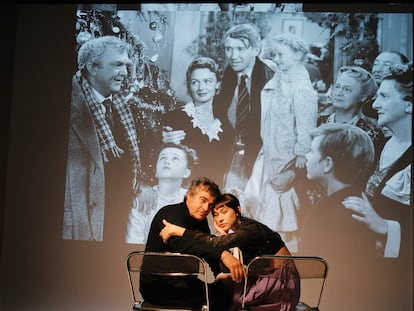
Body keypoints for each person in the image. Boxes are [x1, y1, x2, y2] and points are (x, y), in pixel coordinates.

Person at [160, 193, 300, 311]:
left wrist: (177, 230)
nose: (220, 218)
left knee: (218, 295)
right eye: (215, 215)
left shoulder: (251, 230)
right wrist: (223, 233)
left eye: (224, 212)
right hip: (264, 281)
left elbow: (215, 243)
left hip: (280, 284)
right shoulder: (239, 234)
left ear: (238, 210)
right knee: (218, 288)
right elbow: (227, 269)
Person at [243, 33, 318, 252]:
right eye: (274, 54)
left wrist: (302, 153)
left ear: (298, 55)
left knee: (280, 199)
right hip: (270, 148)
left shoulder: (302, 87)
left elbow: (305, 122)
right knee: (260, 198)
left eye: (281, 54)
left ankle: (283, 249)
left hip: (286, 153)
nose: (276, 58)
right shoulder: (279, 78)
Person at [63, 35, 142, 242]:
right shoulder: (69, 109)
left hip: (118, 225)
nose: (124, 73)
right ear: (93, 67)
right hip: (86, 229)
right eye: (117, 65)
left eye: (126, 66)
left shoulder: (121, 106)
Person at [298, 123, 378, 309]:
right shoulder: (355, 203)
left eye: (311, 151)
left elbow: (317, 274)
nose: (307, 157)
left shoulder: (331, 213)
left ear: (327, 164)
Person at [141, 177, 245, 310]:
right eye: (203, 200)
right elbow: (184, 245)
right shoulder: (169, 214)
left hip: (184, 285)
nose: (206, 208)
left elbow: (208, 249)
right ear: (189, 195)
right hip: (157, 287)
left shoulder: (200, 222)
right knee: (225, 296)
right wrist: (222, 254)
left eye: (211, 205)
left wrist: (219, 273)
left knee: (229, 291)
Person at [342, 62, 412, 261]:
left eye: (384, 97)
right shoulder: (380, 144)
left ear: (409, 104)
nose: (375, 105)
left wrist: (384, 226)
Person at [215, 23, 275, 195]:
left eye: (240, 49)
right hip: (228, 154)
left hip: (260, 158)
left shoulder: (272, 79)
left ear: (256, 50)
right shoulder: (224, 76)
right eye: (229, 49)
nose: (233, 56)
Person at [161, 57, 232, 188]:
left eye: (207, 81)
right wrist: (162, 141)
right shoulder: (173, 118)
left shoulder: (226, 124)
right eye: (195, 82)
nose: (201, 88)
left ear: (217, 84)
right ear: (189, 85)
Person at [125, 143, 196, 244]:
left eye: (175, 158)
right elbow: (134, 238)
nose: (167, 162)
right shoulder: (142, 198)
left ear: (186, 172)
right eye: (163, 158)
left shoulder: (193, 201)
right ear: (155, 170)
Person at [318, 66, 385, 165]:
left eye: (347, 89)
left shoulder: (369, 134)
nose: (339, 93)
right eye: (337, 86)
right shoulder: (318, 122)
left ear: (362, 97)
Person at [363, 50, 410, 129]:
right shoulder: (366, 98)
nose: (378, 69)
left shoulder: (405, 101)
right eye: (376, 64)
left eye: (386, 65)